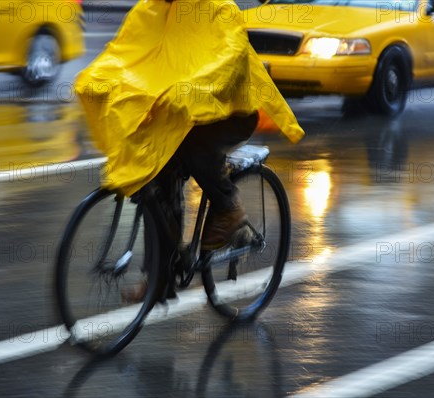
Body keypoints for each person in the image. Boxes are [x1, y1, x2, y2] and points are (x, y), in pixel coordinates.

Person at [74, 0, 304, 299]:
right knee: (156, 180)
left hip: (230, 111)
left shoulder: (219, 8)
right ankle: (161, 278)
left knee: (193, 146)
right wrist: (96, 79)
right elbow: (122, 53)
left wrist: (191, 90)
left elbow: (229, 62)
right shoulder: (149, 10)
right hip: (180, 112)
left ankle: (229, 208)